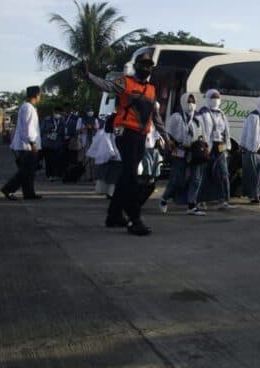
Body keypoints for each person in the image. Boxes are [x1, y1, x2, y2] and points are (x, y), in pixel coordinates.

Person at [78, 53, 168, 235]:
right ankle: (135, 219)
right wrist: (89, 76)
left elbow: (156, 117)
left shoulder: (151, 89)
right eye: (143, 64)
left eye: (150, 65)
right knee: (131, 177)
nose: (146, 68)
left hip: (141, 136)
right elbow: (106, 85)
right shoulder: (124, 82)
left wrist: (167, 138)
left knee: (126, 177)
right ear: (135, 66)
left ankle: (114, 215)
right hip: (125, 134)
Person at [158, 93, 207, 215]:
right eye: (188, 101)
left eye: (193, 101)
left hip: (194, 152)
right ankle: (164, 199)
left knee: (196, 179)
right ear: (183, 102)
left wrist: (205, 147)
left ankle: (192, 205)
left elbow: (202, 135)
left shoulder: (198, 119)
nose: (191, 104)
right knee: (177, 179)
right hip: (179, 151)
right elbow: (168, 134)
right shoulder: (176, 117)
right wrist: (169, 147)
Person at [1, 86, 43, 200]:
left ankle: (29, 193)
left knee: (29, 172)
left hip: (26, 144)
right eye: (40, 94)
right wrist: (32, 143)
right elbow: (29, 128)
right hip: (28, 145)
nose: (41, 96)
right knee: (26, 171)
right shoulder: (28, 108)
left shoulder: (27, 107)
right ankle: (8, 189)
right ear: (36, 95)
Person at [196, 89, 235, 210]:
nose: (215, 99)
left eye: (217, 97)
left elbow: (226, 132)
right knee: (205, 174)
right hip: (208, 148)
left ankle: (224, 200)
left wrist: (228, 147)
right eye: (213, 97)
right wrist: (202, 146)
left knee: (223, 174)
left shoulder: (222, 113)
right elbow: (199, 131)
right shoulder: (202, 113)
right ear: (207, 98)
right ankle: (200, 201)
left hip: (221, 148)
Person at [40, 105, 66, 181]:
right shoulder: (47, 119)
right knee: (48, 160)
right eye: (56, 112)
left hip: (57, 143)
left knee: (56, 159)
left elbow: (63, 132)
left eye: (59, 113)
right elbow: (41, 130)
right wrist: (46, 135)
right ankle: (49, 175)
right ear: (53, 112)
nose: (57, 114)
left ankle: (55, 174)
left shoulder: (62, 120)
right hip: (47, 143)